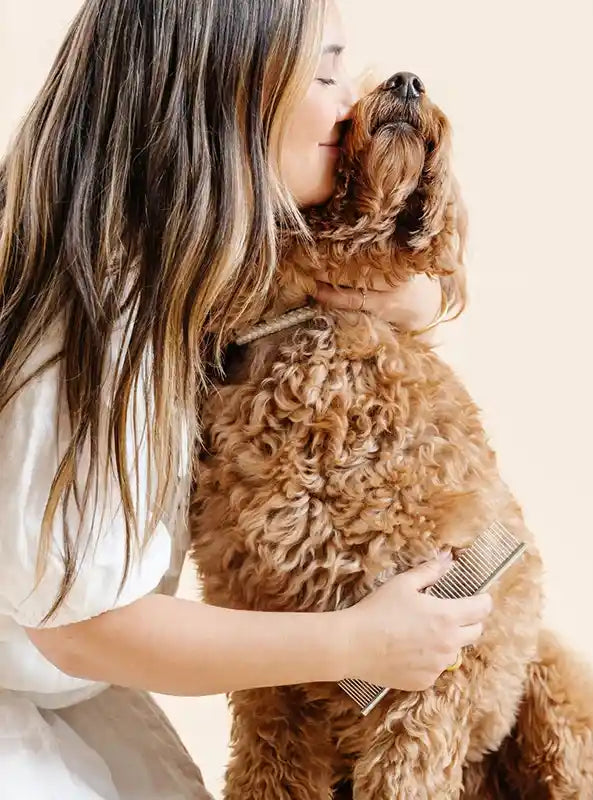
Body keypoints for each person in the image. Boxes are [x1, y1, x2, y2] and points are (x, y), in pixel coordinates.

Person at [0, 1, 492, 797]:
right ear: (231, 91)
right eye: (328, 71)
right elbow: (83, 630)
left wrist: (410, 301)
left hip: (73, 698)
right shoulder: (94, 323)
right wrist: (357, 643)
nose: (349, 105)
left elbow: (342, 284)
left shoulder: (179, 274)